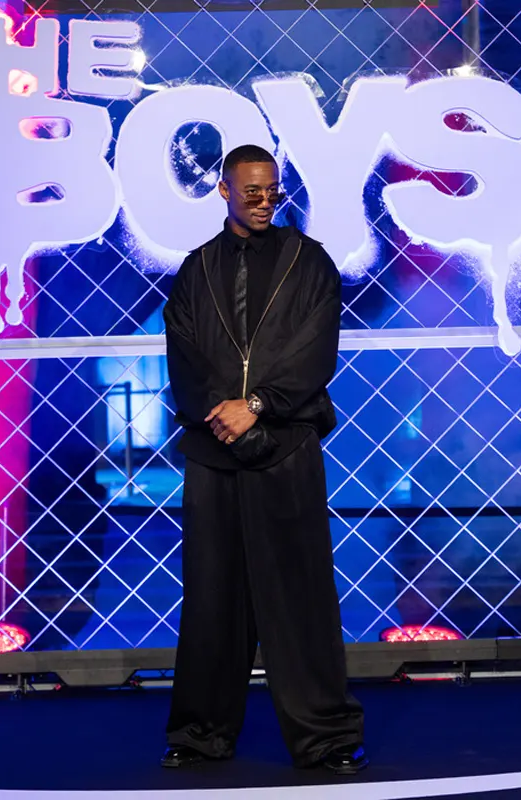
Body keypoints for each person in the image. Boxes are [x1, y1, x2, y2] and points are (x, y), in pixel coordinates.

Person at [161, 144, 367, 774]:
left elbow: (315, 351)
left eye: (271, 189)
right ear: (224, 190)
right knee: (212, 600)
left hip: (287, 448)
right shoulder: (196, 269)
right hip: (214, 452)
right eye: (250, 189)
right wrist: (222, 415)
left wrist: (257, 406)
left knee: (300, 596)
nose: (263, 199)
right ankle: (200, 733)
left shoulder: (310, 262)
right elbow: (184, 356)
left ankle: (325, 738)